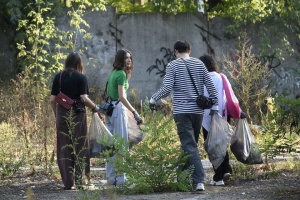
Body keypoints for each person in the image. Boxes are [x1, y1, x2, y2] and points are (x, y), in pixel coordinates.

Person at [149, 40, 219, 191]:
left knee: (189, 145)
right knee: (189, 145)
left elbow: (167, 87)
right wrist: (215, 104)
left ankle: (199, 180)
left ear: (175, 51)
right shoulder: (199, 64)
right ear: (189, 50)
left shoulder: (173, 65)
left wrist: (153, 98)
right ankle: (181, 177)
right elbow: (210, 85)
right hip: (198, 111)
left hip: (182, 111)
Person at [50, 52, 100, 190]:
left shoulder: (58, 77)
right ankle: (80, 180)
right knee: (80, 145)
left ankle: (68, 183)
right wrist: (95, 107)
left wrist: (56, 114)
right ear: (79, 63)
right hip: (78, 114)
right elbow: (83, 98)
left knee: (64, 147)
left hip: (62, 114)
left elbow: (52, 100)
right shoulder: (81, 77)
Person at [200, 54, 246, 186]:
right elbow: (231, 96)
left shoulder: (201, 79)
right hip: (223, 115)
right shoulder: (221, 77)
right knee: (221, 142)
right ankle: (226, 169)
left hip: (206, 118)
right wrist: (238, 111)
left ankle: (218, 177)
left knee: (212, 146)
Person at [105, 49, 143, 186]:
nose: (129, 60)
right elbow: (121, 97)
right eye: (126, 58)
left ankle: (111, 178)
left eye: (130, 58)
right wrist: (134, 111)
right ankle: (122, 179)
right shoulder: (120, 74)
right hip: (118, 109)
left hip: (110, 110)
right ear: (120, 59)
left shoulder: (113, 73)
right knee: (121, 144)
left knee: (112, 145)